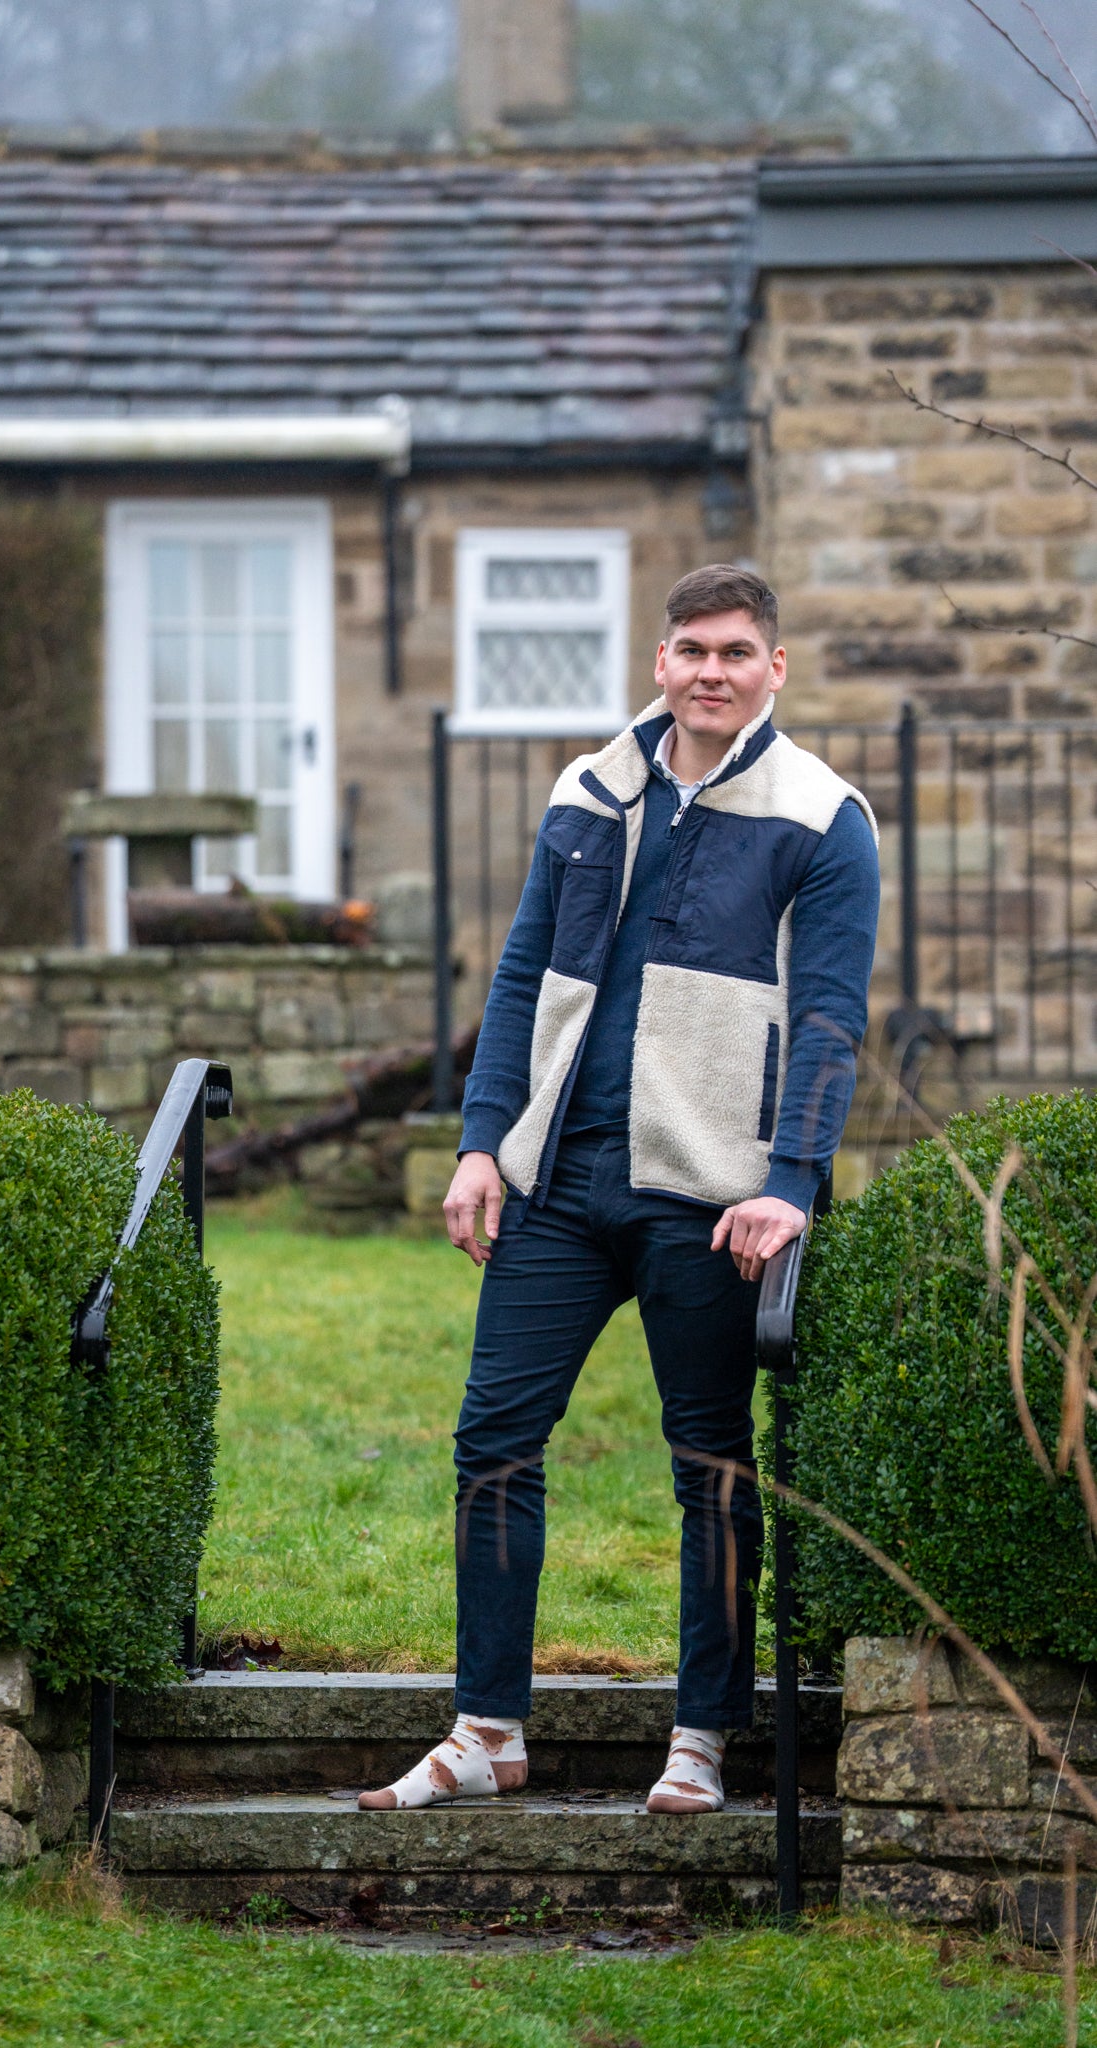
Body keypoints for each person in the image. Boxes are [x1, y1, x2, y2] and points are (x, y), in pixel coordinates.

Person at [359, 563, 880, 1816]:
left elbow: (829, 1014)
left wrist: (791, 1180)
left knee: (710, 1461)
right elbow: (521, 970)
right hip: (558, 1175)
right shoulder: (587, 790)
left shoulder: (824, 816)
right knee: (493, 1438)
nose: (712, 671)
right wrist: (483, 1139)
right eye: (693, 648)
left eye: (737, 651)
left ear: (775, 668)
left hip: (708, 1192)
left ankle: (702, 1735)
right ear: (661, 661)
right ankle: (486, 1728)